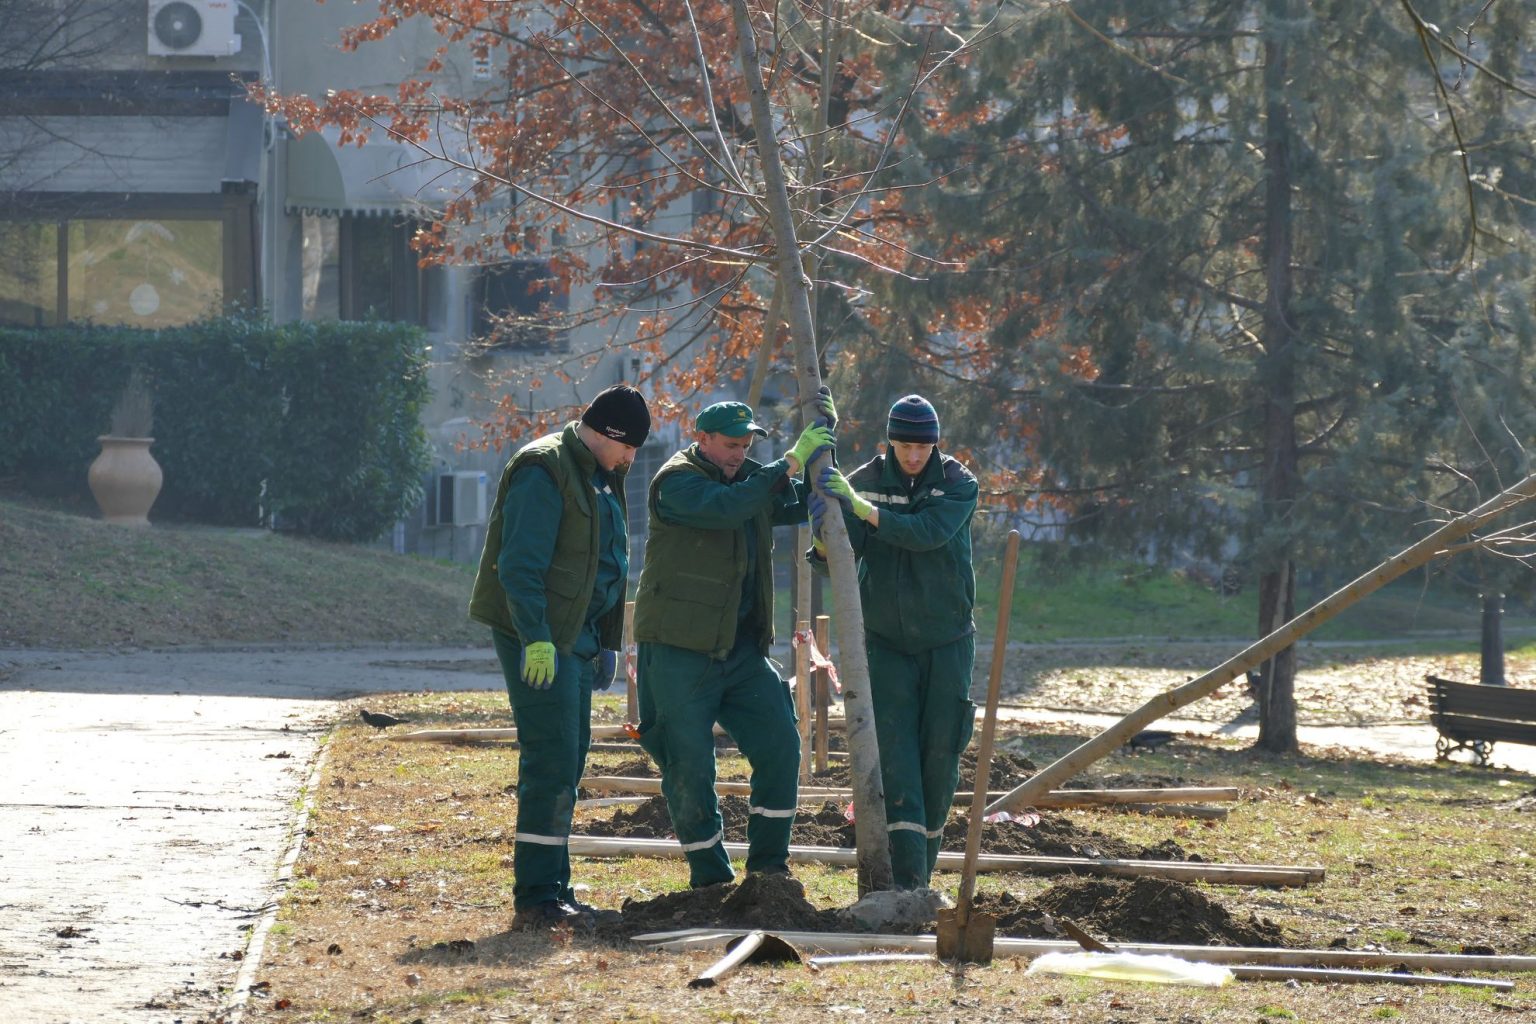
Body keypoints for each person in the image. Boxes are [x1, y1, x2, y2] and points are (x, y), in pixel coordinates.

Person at [467, 383, 650, 930]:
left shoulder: (601, 476)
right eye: (630, 447)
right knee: (550, 759)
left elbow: (605, 565)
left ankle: (557, 886)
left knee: (570, 761)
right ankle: (538, 895)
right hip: (540, 638)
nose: (632, 459)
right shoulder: (543, 469)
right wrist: (537, 637)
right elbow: (519, 565)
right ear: (609, 434)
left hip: (576, 638)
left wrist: (604, 642)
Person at [632, 397, 834, 888]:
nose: (739, 454)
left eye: (745, 446)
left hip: (742, 653)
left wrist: (824, 460)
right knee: (689, 764)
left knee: (782, 746)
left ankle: (768, 870)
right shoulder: (676, 484)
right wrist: (789, 461)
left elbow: (786, 500)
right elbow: (730, 509)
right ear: (700, 438)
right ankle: (710, 880)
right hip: (680, 651)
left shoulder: (746, 481)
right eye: (730, 445)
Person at [810, 394, 979, 891]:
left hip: (948, 638)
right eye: (904, 446)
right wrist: (825, 530)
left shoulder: (957, 483)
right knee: (896, 753)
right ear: (889, 441)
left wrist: (861, 509)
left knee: (940, 751)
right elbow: (839, 556)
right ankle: (905, 881)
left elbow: (927, 533)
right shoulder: (861, 481)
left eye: (922, 449)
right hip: (883, 641)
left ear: (936, 445)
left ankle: (921, 875)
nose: (911, 457)